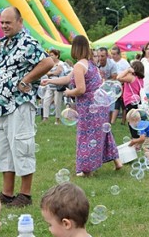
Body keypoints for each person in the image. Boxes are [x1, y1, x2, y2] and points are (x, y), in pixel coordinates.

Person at [0, 7, 54, 207]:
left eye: (8, 22)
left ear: (20, 22)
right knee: (3, 149)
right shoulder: (3, 44)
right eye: (2, 22)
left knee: (21, 146)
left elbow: (48, 62)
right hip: (2, 105)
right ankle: (7, 193)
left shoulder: (28, 43)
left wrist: (26, 80)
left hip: (19, 104)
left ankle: (25, 195)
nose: (4, 26)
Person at [42, 35, 121, 177]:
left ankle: (87, 170)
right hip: (99, 104)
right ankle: (118, 163)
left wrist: (68, 92)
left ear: (75, 48)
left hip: (89, 106)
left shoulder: (79, 66)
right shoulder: (89, 63)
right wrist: (49, 81)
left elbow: (80, 89)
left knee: (87, 136)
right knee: (103, 132)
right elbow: (67, 78)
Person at [116, 60, 145, 140]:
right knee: (136, 121)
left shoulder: (131, 77)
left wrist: (127, 70)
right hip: (136, 102)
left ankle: (135, 139)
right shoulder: (140, 79)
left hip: (130, 102)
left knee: (132, 122)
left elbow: (118, 77)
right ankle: (138, 138)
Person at [41, 48, 67, 125]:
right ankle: (45, 118)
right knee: (45, 101)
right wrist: (52, 73)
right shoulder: (49, 63)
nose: (50, 56)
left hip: (58, 85)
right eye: (50, 55)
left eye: (52, 55)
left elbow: (58, 72)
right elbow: (46, 72)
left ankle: (57, 119)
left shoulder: (61, 63)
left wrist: (50, 73)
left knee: (57, 102)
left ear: (57, 56)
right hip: (50, 85)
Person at [110, 46, 131, 125]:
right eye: (112, 54)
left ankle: (123, 120)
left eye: (114, 54)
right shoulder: (110, 62)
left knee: (122, 103)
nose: (113, 56)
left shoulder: (124, 62)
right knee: (115, 102)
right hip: (112, 85)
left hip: (122, 84)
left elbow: (129, 72)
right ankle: (112, 120)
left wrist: (122, 79)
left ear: (119, 54)